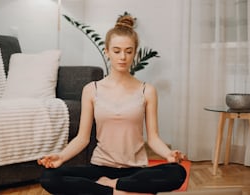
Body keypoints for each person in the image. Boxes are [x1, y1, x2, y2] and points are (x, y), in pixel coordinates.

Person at [38, 14, 187, 195]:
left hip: (135, 170)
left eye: (128, 51)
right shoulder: (91, 90)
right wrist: (61, 157)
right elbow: (82, 138)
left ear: (135, 53)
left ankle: (112, 185)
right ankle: (118, 192)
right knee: (48, 177)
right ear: (107, 52)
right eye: (116, 51)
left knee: (177, 172)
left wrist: (168, 155)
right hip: (100, 167)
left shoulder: (147, 90)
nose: (123, 57)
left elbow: (153, 137)